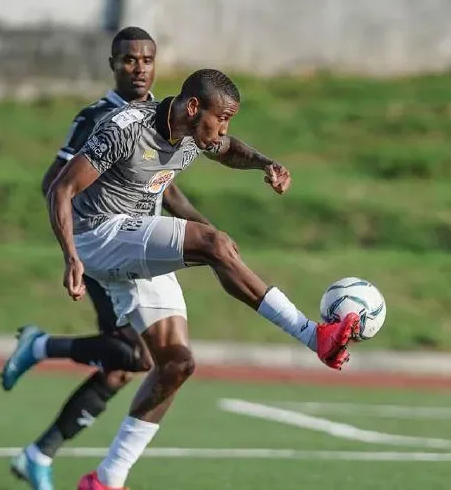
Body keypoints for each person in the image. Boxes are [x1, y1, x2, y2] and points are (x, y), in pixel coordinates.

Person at [43, 68, 361, 490]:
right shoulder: (126, 128)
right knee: (214, 244)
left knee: (176, 365)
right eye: (221, 118)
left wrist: (266, 164)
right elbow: (60, 189)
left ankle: (105, 480)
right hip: (97, 235)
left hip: (134, 240)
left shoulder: (196, 133)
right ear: (193, 107)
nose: (224, 129)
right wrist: (70, 257)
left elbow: (229, 150)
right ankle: (313, 336)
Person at [1, 27, 211, 490]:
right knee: (139, 356)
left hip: (139, 251)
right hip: (102, 248)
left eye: (147, 59)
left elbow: (165, 184)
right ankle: (39, 348)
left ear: (157, 64)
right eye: (129, 60)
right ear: (112, 63)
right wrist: (76, 248)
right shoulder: (97, 117)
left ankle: (40, 452)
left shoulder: (164, 117)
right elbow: (53, 182)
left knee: (122, 368)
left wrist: (206, 232)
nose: (139, 68)